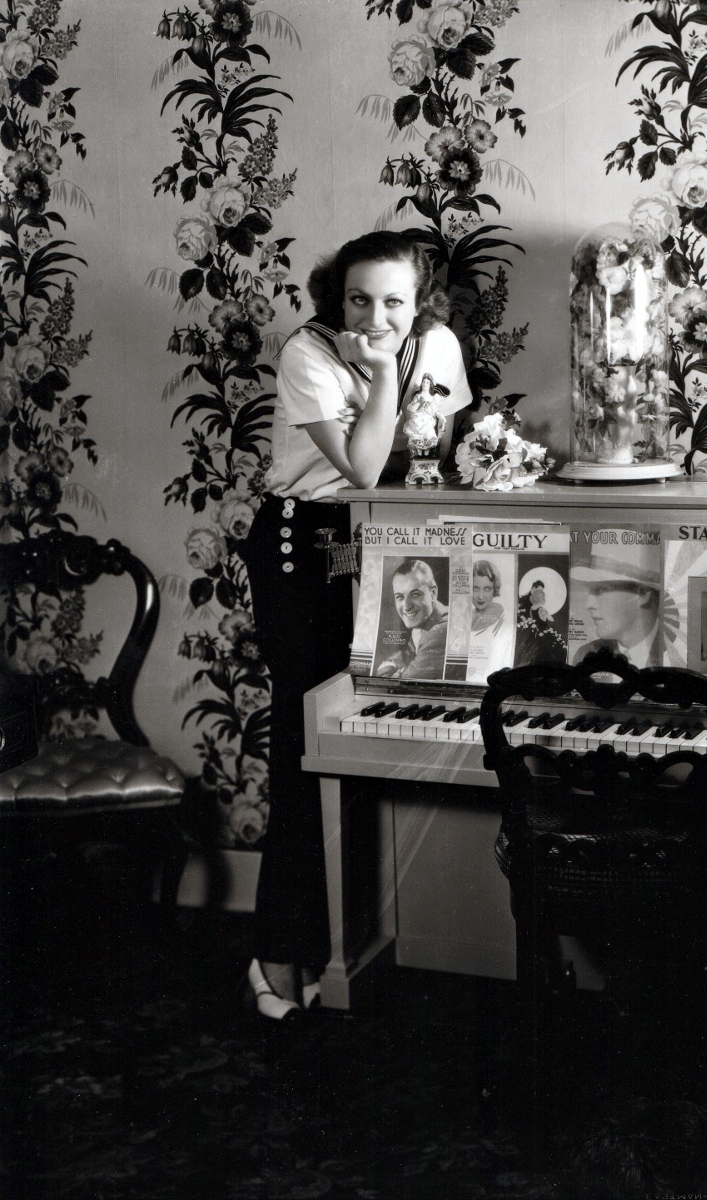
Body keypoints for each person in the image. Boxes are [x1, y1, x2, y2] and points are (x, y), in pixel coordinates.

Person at [238, 231, 471, 1019]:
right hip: (305, 547)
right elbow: (366, 468)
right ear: (335, 300)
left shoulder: (435, 345)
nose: (376, 315)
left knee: (383, 739)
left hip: (389, 541)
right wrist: (377, 375)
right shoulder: (307, 354)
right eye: (358, 299)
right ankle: (276, 952)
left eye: (394, 301)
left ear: (422, 302)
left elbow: (429, 456)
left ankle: (370, 945)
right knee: (307, 752)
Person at [571, 541, 659, 667]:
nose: (588, 605)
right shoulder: (586, 655)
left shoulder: (676, 651)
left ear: (643, 593)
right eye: (590, 591)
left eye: (601, 589)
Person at [375, 558, 449, 679]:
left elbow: (396, 685)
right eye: (399, 597)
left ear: (433, 593)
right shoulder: (426, 621)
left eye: (415, 594)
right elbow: (405, 655)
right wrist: (391, 664)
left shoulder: (439, 632)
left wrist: (388, 671)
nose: (407, 606)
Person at [514, 579, 568, 666]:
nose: (540, 592)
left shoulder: (532, 607)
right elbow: (550, 619)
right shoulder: (525, 601)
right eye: (539, 591)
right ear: (533, 589)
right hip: (531, 631)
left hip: (535, 630)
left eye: (541, 591)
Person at [470, 559, 504, 634]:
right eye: (475, 589)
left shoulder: (496, 610)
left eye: (487, 589)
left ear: (495, 589)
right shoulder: (471, 613)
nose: (481, 597)